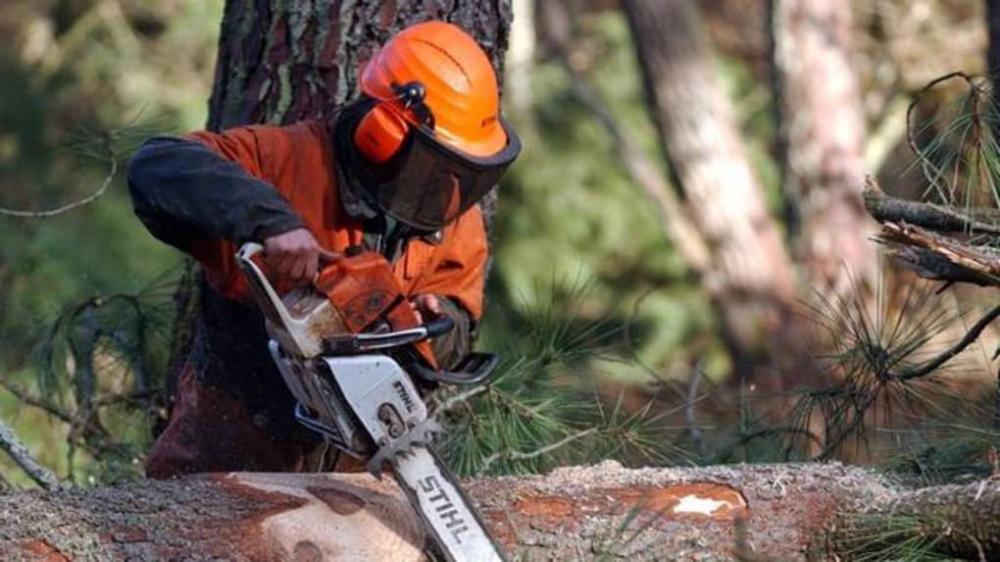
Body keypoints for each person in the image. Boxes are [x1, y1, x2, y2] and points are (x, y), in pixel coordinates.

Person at [127, 21, 521, 478]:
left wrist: (435, 326)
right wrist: (271, 222)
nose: (446, 187)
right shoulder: (282, 161)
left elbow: (458, 308)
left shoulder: (448, 214)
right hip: (223, 470)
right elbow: (156, 167)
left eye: (457, 170)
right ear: (383, 135)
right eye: (435, 164)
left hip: (355, 487)